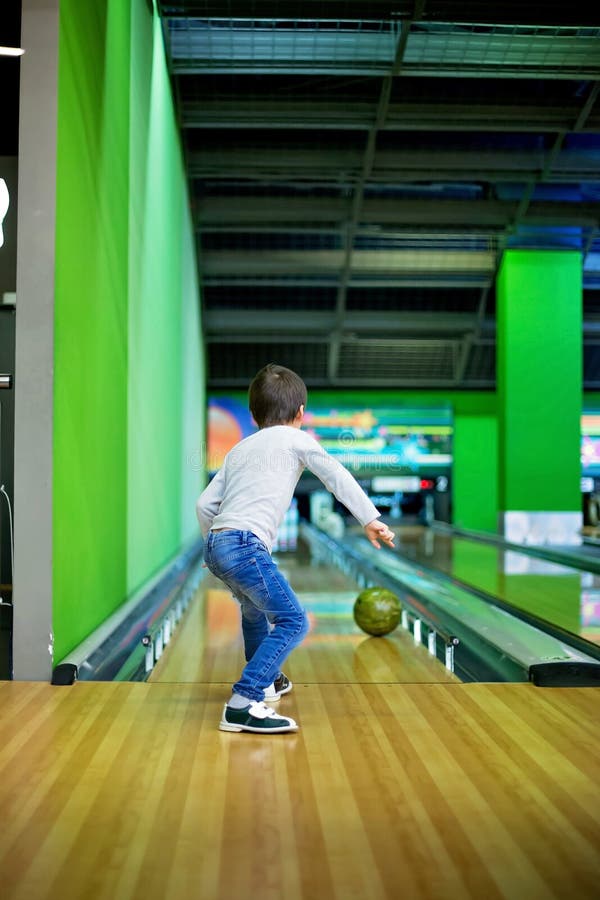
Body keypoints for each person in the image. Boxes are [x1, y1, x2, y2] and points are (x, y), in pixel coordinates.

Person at [196, 364, 395, 735]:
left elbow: (205, 505)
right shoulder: (297, 439)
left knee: (254, 613)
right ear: (301, 412)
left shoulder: (239, 450)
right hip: (245, 544)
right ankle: (243, 701)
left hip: (219, 542)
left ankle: (267, 682)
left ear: (254, 416)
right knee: (293, 621)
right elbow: (336, 476)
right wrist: (369, 517)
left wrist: (214, 545)